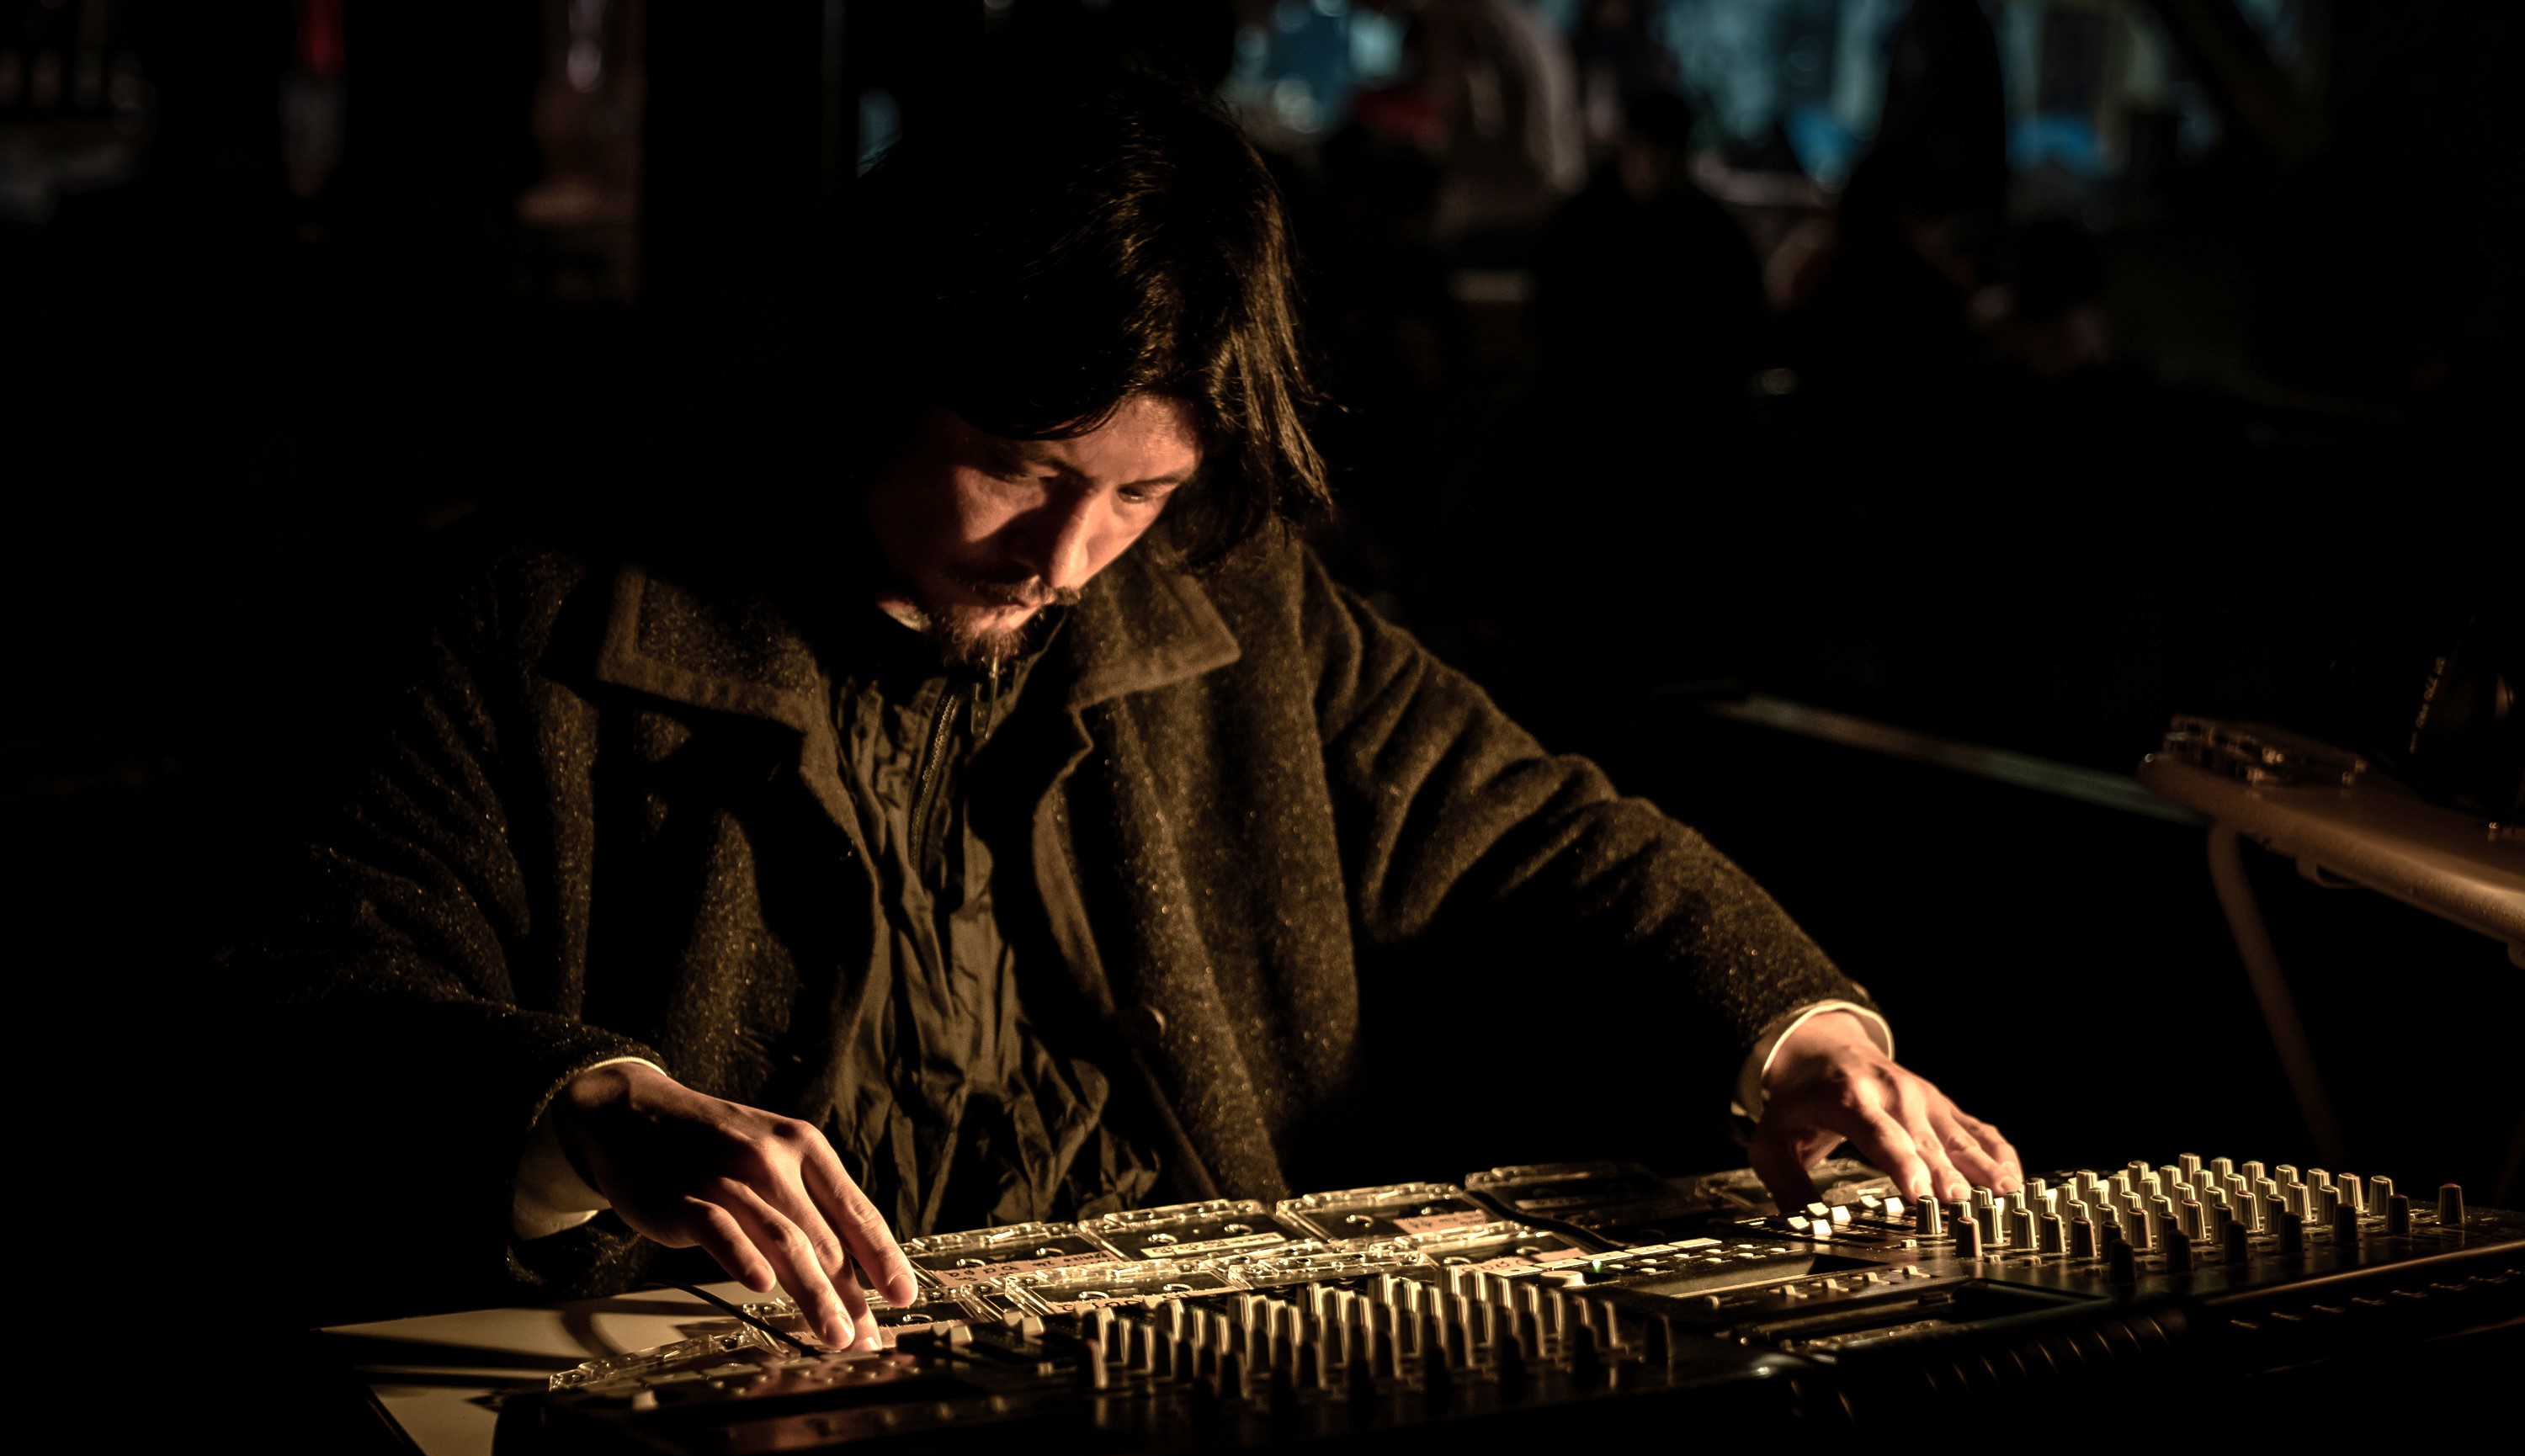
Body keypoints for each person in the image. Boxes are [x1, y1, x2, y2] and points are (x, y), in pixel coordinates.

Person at [232, 66, 2020, 1352]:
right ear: (868, 381)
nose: (1070, 556)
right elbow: (307, 1009)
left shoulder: (1233, 604)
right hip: (755, 1406)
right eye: (1011, 467)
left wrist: (1795, 1033)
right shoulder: (527, 624)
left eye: (1142, 494)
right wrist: (594, 1108)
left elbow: (1539, 831)